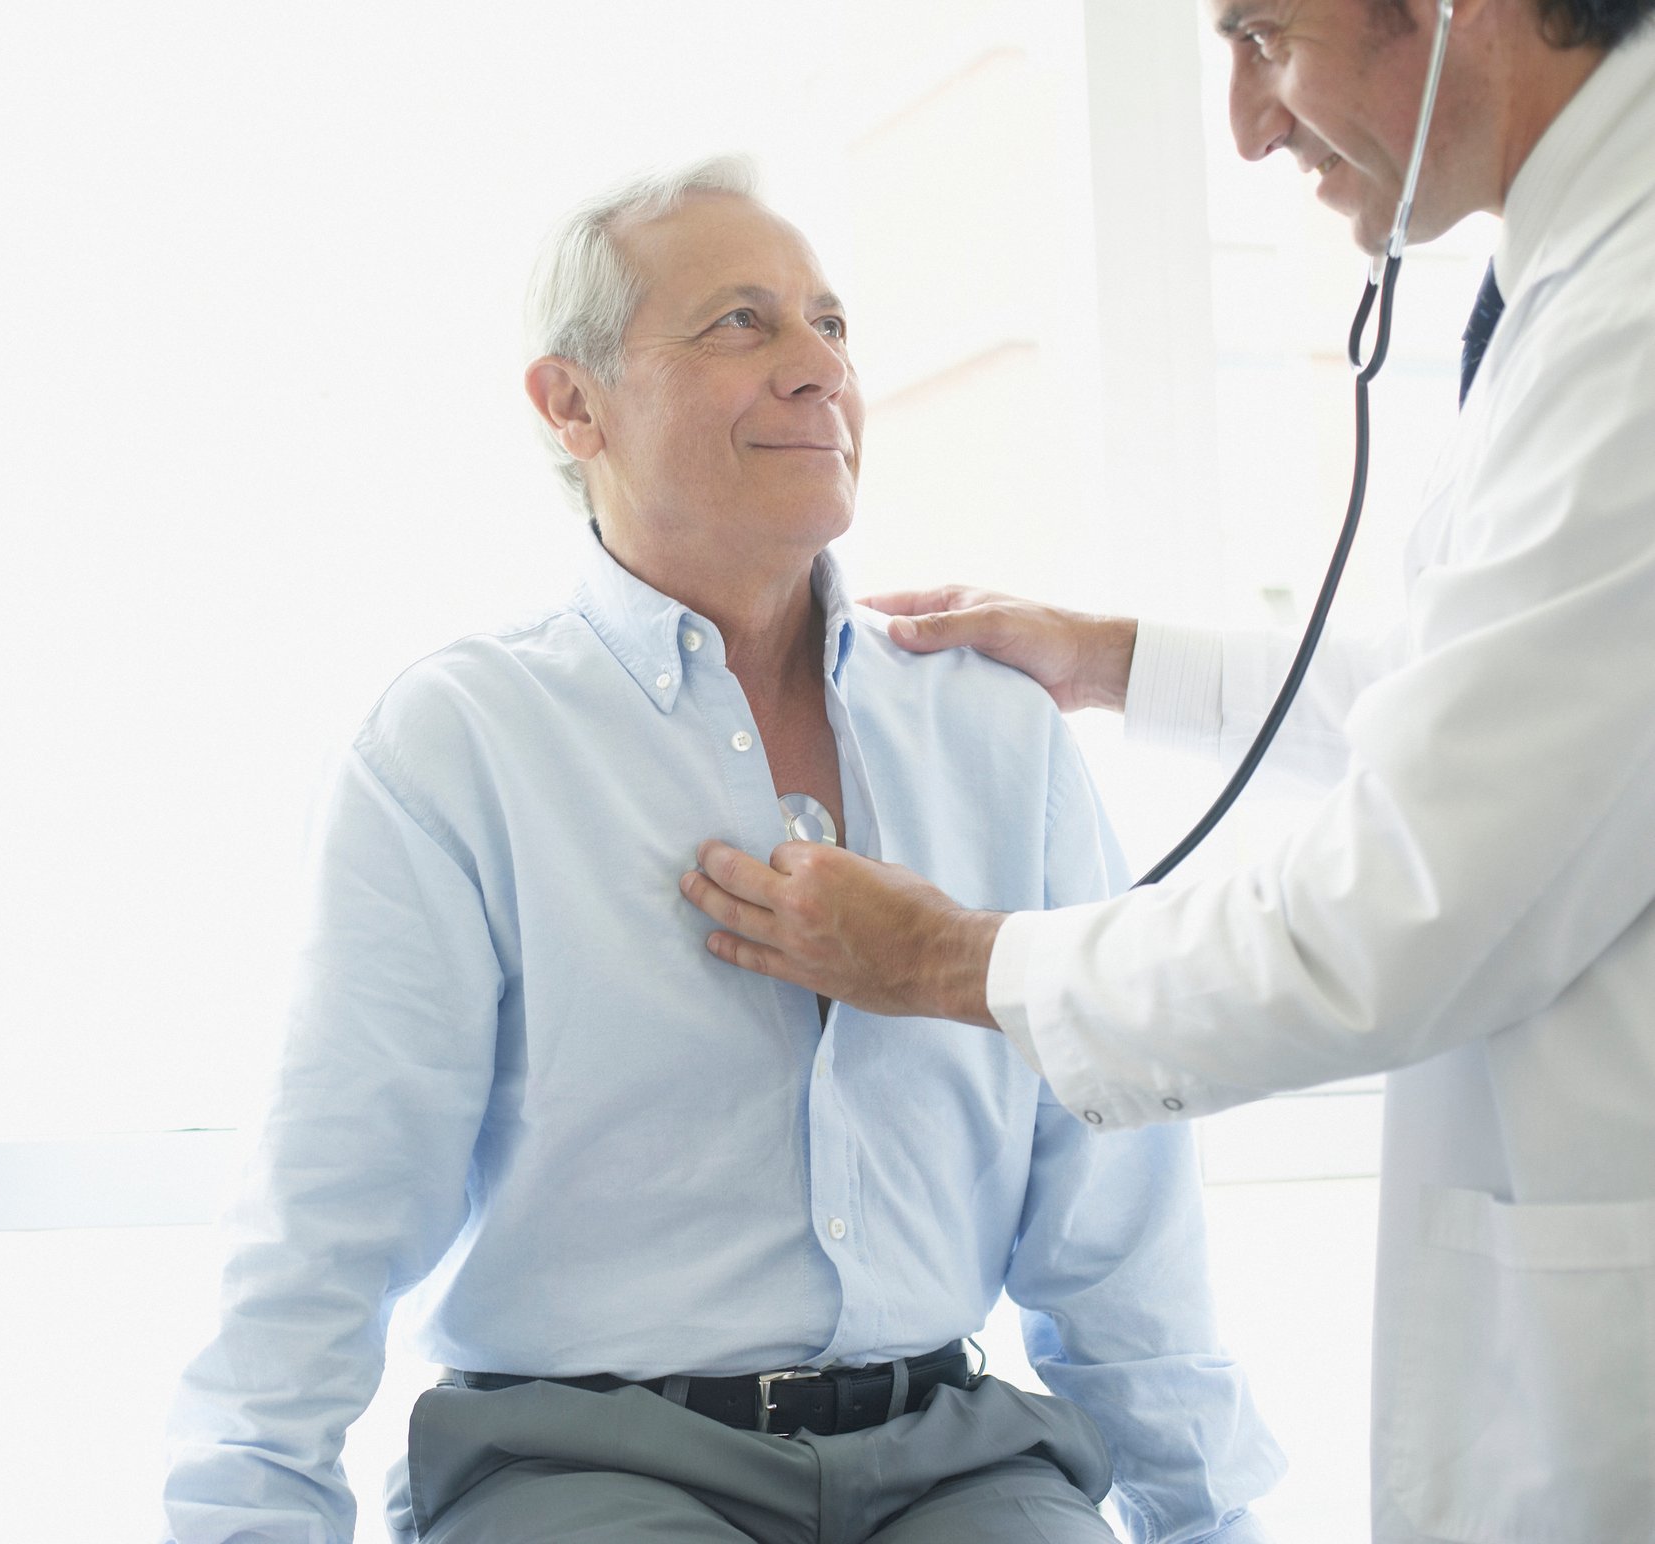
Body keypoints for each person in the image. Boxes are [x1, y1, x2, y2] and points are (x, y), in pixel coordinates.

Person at [160, 159, 1285, 1544]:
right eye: (741, 323)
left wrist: (1205, 1520)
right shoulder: (460, 744)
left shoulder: (995, 731)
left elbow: (1115, 1210)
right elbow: (329, 1207)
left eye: (831, 323)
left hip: (959, 1467)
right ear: (572, 404)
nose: (820, 367)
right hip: (582, 1466)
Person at [678, 3, 1655, 1540]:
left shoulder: (1630, 326)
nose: (1249, 126)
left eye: (1263, 34)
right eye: (736, 325)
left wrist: (943, 959)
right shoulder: (470, 741)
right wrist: (1120, 661)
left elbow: (1397, 911)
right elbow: (1518, 705)